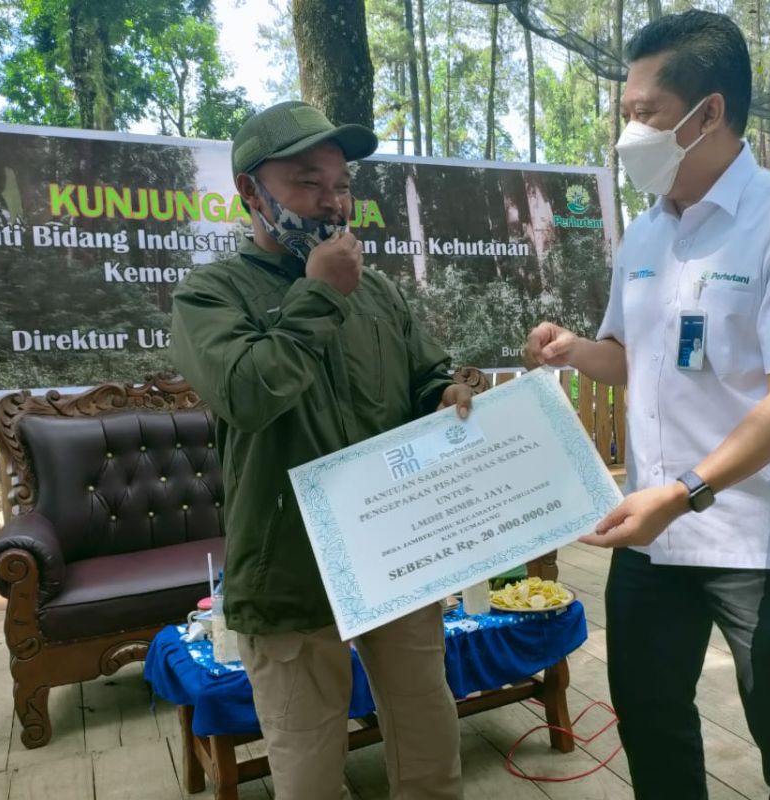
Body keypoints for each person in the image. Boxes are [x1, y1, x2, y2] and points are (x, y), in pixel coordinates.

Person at [525, 11, 770, 800]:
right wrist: (574, 351)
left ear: (709, 113)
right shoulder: (644, 236)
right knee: (651, 717)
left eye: (645, 114)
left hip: (760, 541)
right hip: (653, 538)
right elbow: (636, 360)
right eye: (626, 113)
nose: (628, 133)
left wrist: (686, 492)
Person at [171, 101, 468, 800]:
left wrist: (449, 392)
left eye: (341, 185)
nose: (333, 202)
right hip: (288, 578)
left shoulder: (381, 291)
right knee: (306, 776)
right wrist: (320, 296)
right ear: (251, 191)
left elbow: (426, 373)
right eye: (309, 183)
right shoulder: (209, 295)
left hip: (399, 558)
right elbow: (248, 393)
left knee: (432, 752)